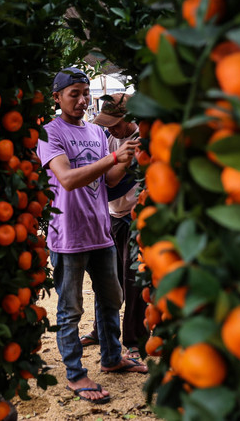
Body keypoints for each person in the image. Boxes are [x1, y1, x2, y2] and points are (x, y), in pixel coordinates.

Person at [37, 67, 148, 405]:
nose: (82, 100)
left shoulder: (97, 133)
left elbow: (109, 181)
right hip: (68, 233)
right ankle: (75, 374)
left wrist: (126, 159)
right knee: (70, 308)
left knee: (111, 298)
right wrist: (113, 158)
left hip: (100, 230)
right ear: (57, 97)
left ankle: (112, 357)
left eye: (85, 93)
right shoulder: (49, 133)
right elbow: (68, 179)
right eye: (75, 94)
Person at [80, 93, 144, 359]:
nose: (111, 128)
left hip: (135, 218)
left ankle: (134, 339)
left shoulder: (141, 142)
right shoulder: (109, 139)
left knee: (133, 282)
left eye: (115, 123)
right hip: (113, 217)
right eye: (107, 124)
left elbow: (112, 184)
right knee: (107, 280)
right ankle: (101, 330)